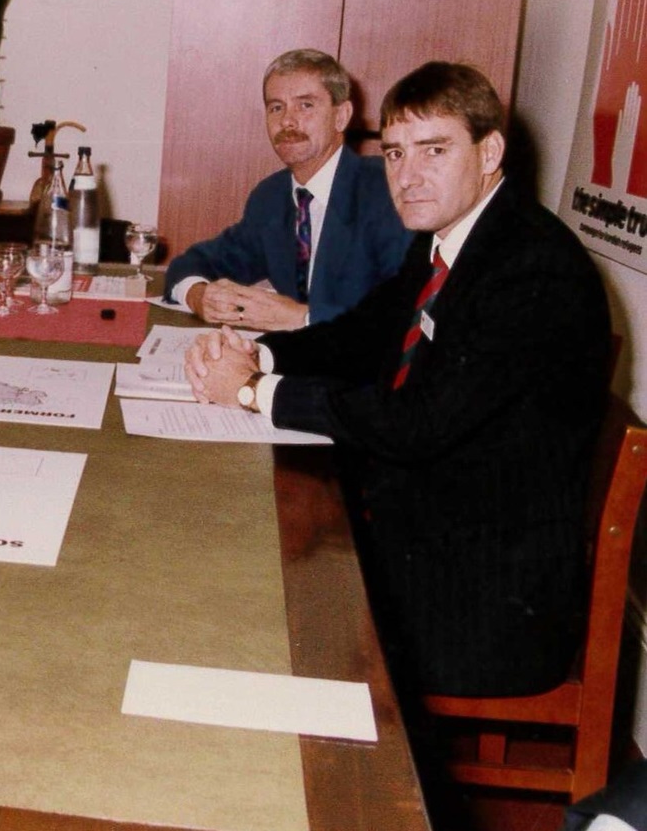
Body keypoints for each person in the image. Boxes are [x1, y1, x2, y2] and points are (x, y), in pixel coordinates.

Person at [184, 62, 612, 698]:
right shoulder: (450, 234)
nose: (407, 178)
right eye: (394, 154)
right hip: (438, 532)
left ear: (489, 151)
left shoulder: (531, 271)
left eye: (434, 151)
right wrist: (259, 354)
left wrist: (252, 392)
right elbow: (366, 332)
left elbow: (417, 425)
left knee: (246, 607)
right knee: (234, 552)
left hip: (485, 600)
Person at [165, 48, 410, 331]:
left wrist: (301, 318)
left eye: (305, 105)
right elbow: (191, 264)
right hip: (292, 363)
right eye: (276, 107)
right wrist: (198, 296)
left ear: (341, 116)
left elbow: (404, 315)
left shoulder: (388, 189)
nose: (287, 122)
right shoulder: (271, 196)